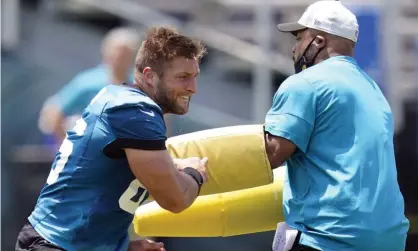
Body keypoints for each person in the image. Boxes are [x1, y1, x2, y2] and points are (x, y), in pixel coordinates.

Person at [16, 26, 208, 251]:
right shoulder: (137, 111)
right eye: (182, 77)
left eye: (194, 77)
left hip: (66, 241)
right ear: (149, 76)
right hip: (56, 244)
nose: (192, 88)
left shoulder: (119, 97)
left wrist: (123, 246)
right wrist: (195, 173)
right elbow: (174, 200)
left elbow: (109, 180)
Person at [262, 1, 409, 251]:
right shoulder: (375, 91)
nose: (295, 49)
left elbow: (270, 155)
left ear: (318, 41)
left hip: (327, 238)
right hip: (389, 240)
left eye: (299, 38)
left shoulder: (304, 84)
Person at [38, 27, 141, 144]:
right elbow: (53, 112)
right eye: (118, 52)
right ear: (106, 52)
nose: (121, 57)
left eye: (126, 53)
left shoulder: (137, 85)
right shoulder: (88, 82)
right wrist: (67, 144)